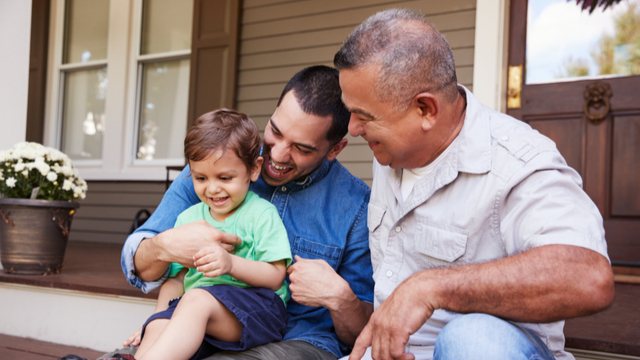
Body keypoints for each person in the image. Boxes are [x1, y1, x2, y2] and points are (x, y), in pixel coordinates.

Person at [333, 8, 615, 360]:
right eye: (351, 111)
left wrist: (432, 286)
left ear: (426, 110)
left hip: (487, 352)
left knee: (472, 338)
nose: (354, 128)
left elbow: (587, 276)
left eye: (365, 117)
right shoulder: (392, 150)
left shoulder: (516, 160)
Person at [120, 65, 374, 359]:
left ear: (335, 149)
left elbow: (361, 333)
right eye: (275, 132)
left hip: (302, 340)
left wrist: (341, 299)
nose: (276, 155)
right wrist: (163, 246)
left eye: (301, 148)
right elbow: (143, 263)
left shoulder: (356, 207)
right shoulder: (215, 166)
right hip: (207, 325)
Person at [132, 109, 292, 359]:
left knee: (196, 300)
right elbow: (176, 281)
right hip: (201, 311)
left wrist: (230, 263)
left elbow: (275, 276)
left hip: (258, 310)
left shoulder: (261, 214)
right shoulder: (188, 219)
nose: (213, 188)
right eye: (201, 178)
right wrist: (157, 318)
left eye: (225, 177)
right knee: (159, 326)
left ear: (254, 169)